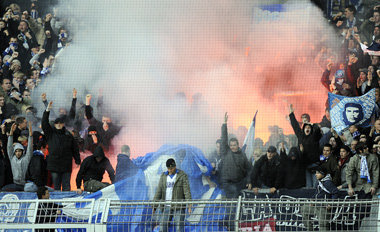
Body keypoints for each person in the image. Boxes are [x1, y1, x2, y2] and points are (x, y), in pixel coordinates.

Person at [41, 101, 81, 191]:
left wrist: (77, 160)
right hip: (54, 165)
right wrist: (47, 110)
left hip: (66, 165)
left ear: (63, 124)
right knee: (57, 186)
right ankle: (57, 204)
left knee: (66, 185)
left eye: (60, 123)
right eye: (57, 123)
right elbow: (44, 123)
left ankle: (67, 204)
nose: (59, 124)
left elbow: (75, 148)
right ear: (54, 125)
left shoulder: (69, 135)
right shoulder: (50, 133)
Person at [219, 112, 252, 198]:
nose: (233, 147)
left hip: (240, 182)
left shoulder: (243, 155)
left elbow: (249, 169)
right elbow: (224, 139)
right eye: (231, 145)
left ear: (238, 145)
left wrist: (249, 181)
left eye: (234, 145)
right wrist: (224, 124)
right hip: (228, 183)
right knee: (233, 193)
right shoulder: (226, 153)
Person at [153, 158, 191, 232]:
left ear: (175, 166)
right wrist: (155, 206)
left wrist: (189, 204)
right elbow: (159, 192)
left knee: (179, 229)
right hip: (166, 206)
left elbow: (186, 191)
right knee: (162, 228)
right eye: (169, 168)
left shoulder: (182, 175)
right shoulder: (163, 176)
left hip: (179, 207)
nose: (171, 170)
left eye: (172, 168)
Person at [301, 166, 339, 232]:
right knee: (304, 209)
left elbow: (335, 192)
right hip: (316, 205)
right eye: (316, 173)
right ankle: (310, 229)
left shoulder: (328, 183)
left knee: (323, 226)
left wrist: (330, 203)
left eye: (318, 173)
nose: (316, 174)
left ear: (323, 174)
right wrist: (312, 200)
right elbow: (317, 193)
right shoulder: (318, 182)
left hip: (323, 207)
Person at [1, 122, 33, 191]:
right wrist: (11, 133)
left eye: (19, 151)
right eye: (16, 151)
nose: (18, 153)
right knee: (3, 189)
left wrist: (30, 135)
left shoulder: (26, 158)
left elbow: (30, 148)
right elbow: (9, 147)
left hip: (25, 185)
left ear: (22, 151)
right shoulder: (12, 158)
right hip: (15, 184)